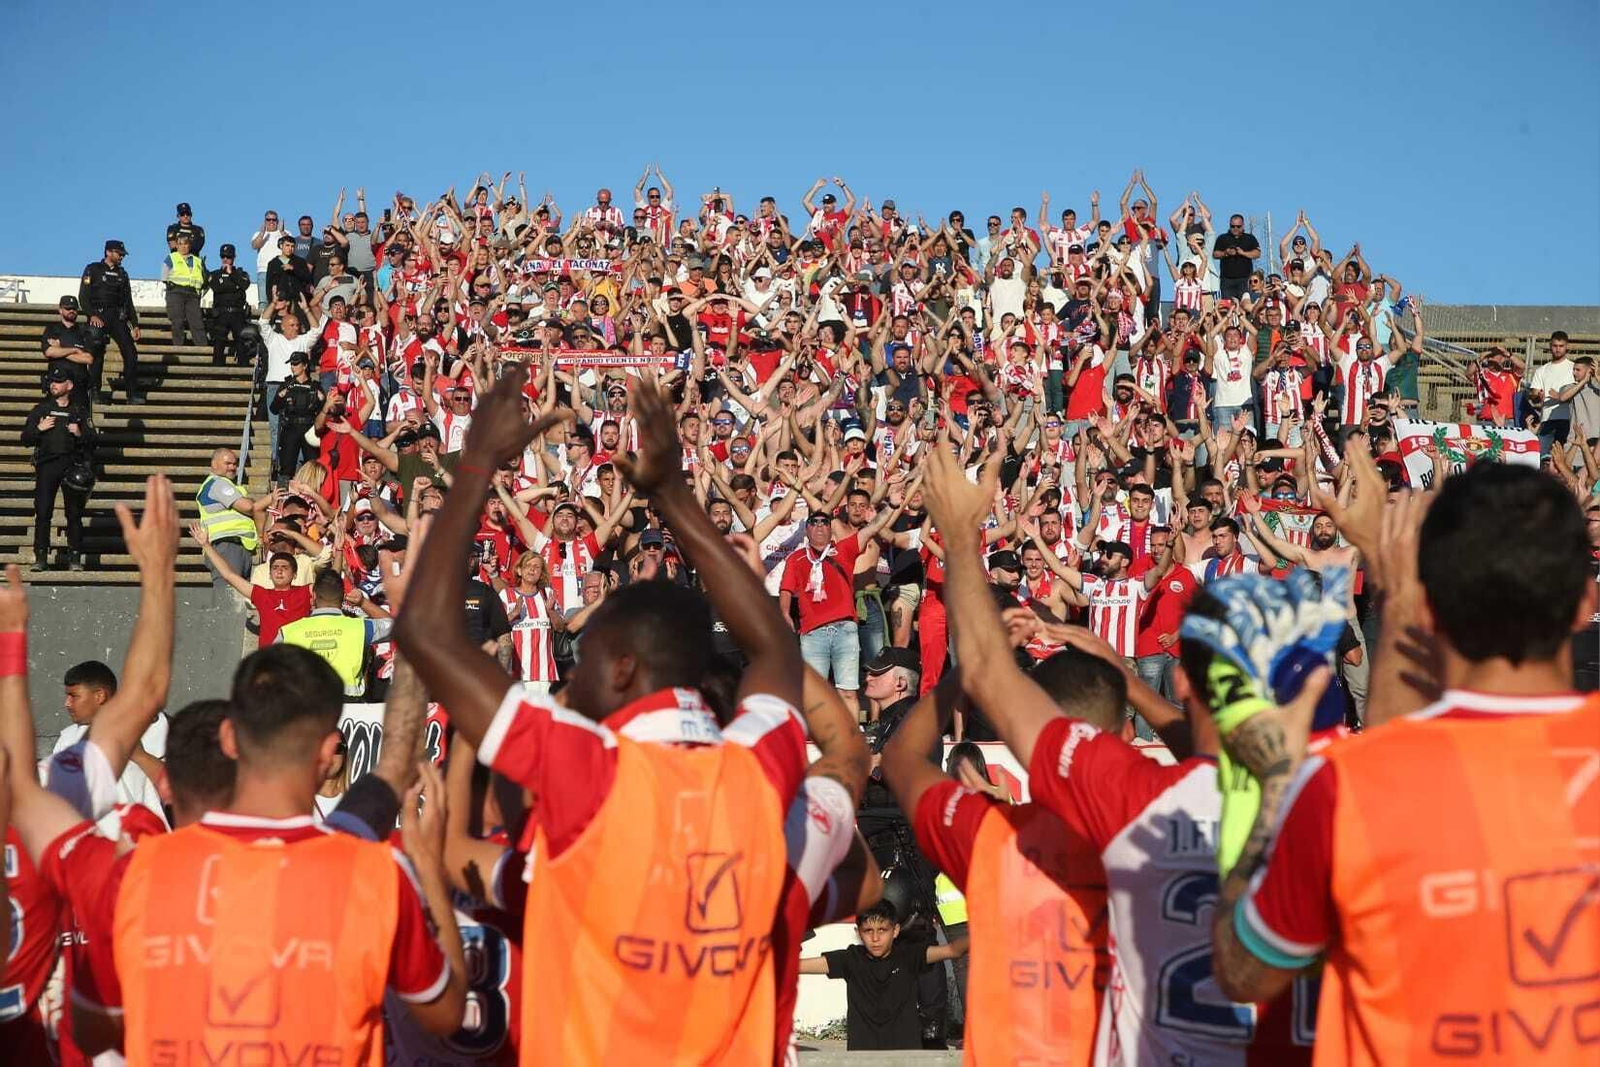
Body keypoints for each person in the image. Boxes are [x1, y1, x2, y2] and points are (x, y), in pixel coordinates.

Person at [397, 368, 812, 1063]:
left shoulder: (589, 770)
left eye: (585, 654)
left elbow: (426, 633)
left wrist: (476, 465)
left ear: (621, 669)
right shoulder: (758, 767)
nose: (573, 669)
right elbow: (775, 647)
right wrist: (673, 494)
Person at [917, 444, 1312, 1065]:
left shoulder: (1139, 800)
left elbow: (989, 672)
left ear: (1182, 681)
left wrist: (961, 536)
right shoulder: (1330, 797)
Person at [1212, 464, 1600, 1066]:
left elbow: (1245, 972)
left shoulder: (1346, 786)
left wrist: (1273, 795)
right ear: (1586, 603)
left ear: (1432, 609)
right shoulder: (1361, 780)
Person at [882, 654, 1122, 1066]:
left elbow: (899, 758)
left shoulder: (990, 830)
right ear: (1124, 731)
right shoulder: (1153, 821)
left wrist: (960, 677)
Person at [797, 899, 969, 1051]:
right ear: (858, 932)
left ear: (895, 930)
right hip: (862, 1059)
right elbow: (798, 967)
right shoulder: (851, 959)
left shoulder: (909, 956)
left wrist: (982, 930)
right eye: (868, 931)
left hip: (906, 1059)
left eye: (882, 930)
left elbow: (953, 950)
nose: (875, 938)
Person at [190, 521, 312, 646]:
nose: (279, 571)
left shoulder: (305, 592)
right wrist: (206, 545)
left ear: (294, 574)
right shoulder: (262, 595)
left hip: (298, 654)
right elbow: (228, 575)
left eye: (285, 568)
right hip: (270, 656)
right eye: (275, 568)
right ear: (269, 575)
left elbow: (323, 558)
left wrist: (294, 534)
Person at [22, 364, 95, 571]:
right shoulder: (41, 409)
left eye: (59, 381)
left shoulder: (78, 411)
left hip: (72, 466)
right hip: (47, 466)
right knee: (43, 512)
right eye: (52, 381)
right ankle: (41, 557)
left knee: (74, 514)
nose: (53, 384)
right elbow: (25, 438)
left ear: (69, 385)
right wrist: (38, 429)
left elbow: (93, 439)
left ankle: (74, 558)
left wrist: (79, 433)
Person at [276, 570, 392, 699]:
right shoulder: (361, 627)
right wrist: (363, 603)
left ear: (313, 596)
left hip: (304, 705)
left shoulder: (288, 632)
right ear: (343, 597)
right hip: (348, 706)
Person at [79, 238, 142, 403]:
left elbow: (128, 301)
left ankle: (132, 393)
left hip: (117, 316)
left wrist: (134, 324)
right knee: (97, 350)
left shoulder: (122, 274)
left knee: (130, 352)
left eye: (122, 254)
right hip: (98, 314)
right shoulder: (93, 269)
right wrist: (92, 315)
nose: (121, 257)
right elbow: (83, 297)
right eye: (119, 253)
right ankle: (94, 391)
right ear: (108, 252)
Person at [194, 447, 268, 586]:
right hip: (226, 548)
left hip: (235, 547)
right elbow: (248, 507)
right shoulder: (218, 483)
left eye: (235, 464)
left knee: (238, 594)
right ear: (214, 464)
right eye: (228, 463)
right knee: (228, 593)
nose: (233, 467)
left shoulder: (227, 484)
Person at [203, 242, 254, 365]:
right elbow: (216, 287)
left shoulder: (241, 274)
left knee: (241, 341)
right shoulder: (215, 274)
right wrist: (233, 286)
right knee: (218, 341)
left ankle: (243, 368)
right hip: (221, 313)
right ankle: (217, 368)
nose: (225, 259)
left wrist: (232, 275)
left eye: (229, 257)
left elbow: (244, 285)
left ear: (234, 257)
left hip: (237, 313)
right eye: (223, 256)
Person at [40, 294, 95, 400]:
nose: (71, 311)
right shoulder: (52, 329)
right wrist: (75, 350)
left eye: (74, 309)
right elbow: (49, 352)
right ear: (60, 310)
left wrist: (60, 349)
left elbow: (88, 359)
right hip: (57, 383)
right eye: (68, 308)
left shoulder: (84, 331)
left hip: (79, 385)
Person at [160, 230, 208, 347]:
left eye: (185, 243)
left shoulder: (197, 261)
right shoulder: (171, 258)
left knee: (197, 323)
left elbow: (204, 279)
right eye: (180, 244)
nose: (183, 246)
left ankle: (202, 349)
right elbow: (164, 277)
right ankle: (178, 347)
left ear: (189, 245)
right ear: (176, 246)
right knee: (177, 321)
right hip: (176, 292)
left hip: (193, 295)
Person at [1212, 214, 1260, 301]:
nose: (1235, 228)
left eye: (1238, 226)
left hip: (1245, 279)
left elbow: (1257, 254)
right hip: (1227, 280)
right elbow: (1215, 254)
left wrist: (1243, 253)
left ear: (1243, 225)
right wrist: (1226, 253)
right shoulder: (1222, 238)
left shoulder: (1250, 238)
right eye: (1232, 226)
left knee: (1245, 304)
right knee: (1228, 305)